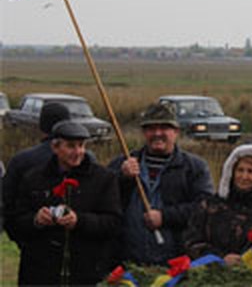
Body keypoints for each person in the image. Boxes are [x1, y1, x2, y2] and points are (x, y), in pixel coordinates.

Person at [12, 121, 122, 286]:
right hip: (40, 273)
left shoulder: (104, 179)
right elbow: (15, 221)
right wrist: (36, 220)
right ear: (55, 147)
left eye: (81, 145)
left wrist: (80, 221)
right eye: (71, 146)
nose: (78, 152)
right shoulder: (33, 178)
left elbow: (113, 223)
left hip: (86, 273)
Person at [108, 102, 214, 265]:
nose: (157, 133)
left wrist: (165, 216)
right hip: (128, 264)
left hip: (176, 265)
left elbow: (204, 209)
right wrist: (122, 178)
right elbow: (105, 203)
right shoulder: (121, 164)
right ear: (144, 132)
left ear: (176, 131)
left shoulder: (194, 168)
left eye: (164, 128)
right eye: (151, 128)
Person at [183, 144, 252, 268]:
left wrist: (248, 261)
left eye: (251, 172)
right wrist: (221, 258)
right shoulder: (209, 205)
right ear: (231, 172)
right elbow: (192, 242)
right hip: (212, 272)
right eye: (240, 170)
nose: (244, 177)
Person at [3, 102, 71, 243]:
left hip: (31, 239)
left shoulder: (21, 160)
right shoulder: (85, 159)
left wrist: (17, 236)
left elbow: (7, 202)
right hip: (73, 239)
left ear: (41, 126)